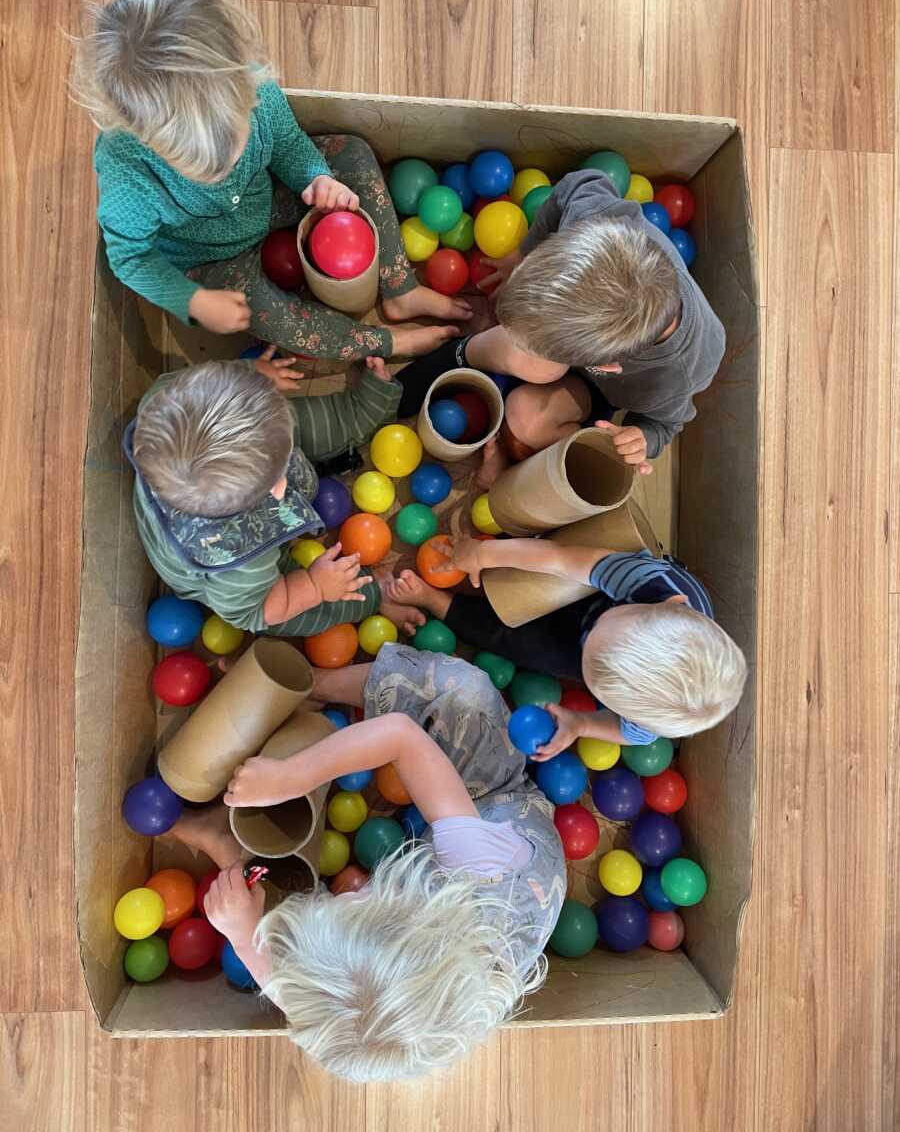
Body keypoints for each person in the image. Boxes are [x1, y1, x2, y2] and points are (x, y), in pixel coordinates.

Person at [167, 644, 566, 1083]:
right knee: (463, 693)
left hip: (443, 895)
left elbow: (309, 1002)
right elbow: (400, 736)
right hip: (494, 804)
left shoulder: (388, 1014)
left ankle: (228, 844)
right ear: (398, 911)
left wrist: (244, 938)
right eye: (353, 902)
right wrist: (291, 778)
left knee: (273, 912)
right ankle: (314, 685)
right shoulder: (480, 871)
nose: (348, 888)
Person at [73, 0, 471, 360]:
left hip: (268, 197)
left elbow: (287, 144)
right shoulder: (126, 171)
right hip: (209, 257)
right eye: (204, 168)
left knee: (351, 152)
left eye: (235, 144)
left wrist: (317, 179)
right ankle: (381, 341)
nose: (228, 165)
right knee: (267, 313)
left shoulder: (252, 87)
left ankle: (399, 288)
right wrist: (192, 301)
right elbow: (130, 258)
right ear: (144, 139)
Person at [396, 168, 724, 481]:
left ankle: (543, 440)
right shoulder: (599, 221)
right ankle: (462, 353)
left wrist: (642, 437)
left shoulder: (678, 374)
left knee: (526, 416)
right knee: (517, 352)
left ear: (608, 366)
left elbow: (666, 424)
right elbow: (576, 185)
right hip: (595, 340)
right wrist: (524, 255)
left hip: (601, 391)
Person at [126, 352, 424, 637]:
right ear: (272, 493)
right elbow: (253, 612)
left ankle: (362, 409)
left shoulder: (167, 402)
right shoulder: (239, 559)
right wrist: (314, 586)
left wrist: (254, 370)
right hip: (248, 587)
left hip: (225, 474)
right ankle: (375, 596)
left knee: (301, 422)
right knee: (291, 615)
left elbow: (217, 379)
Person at [385, 535, 747, 756]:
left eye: (594, 666)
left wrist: (581, 725)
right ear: (670, 604)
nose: (589, 639)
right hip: (598, 593)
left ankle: (435, 601)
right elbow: (561, 557)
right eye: (597, 637)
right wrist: (485, 554)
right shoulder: (652, 583)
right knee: (539, 585)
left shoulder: (649, 711)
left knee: (519, 643)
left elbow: (628, 733)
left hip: (611, 642)